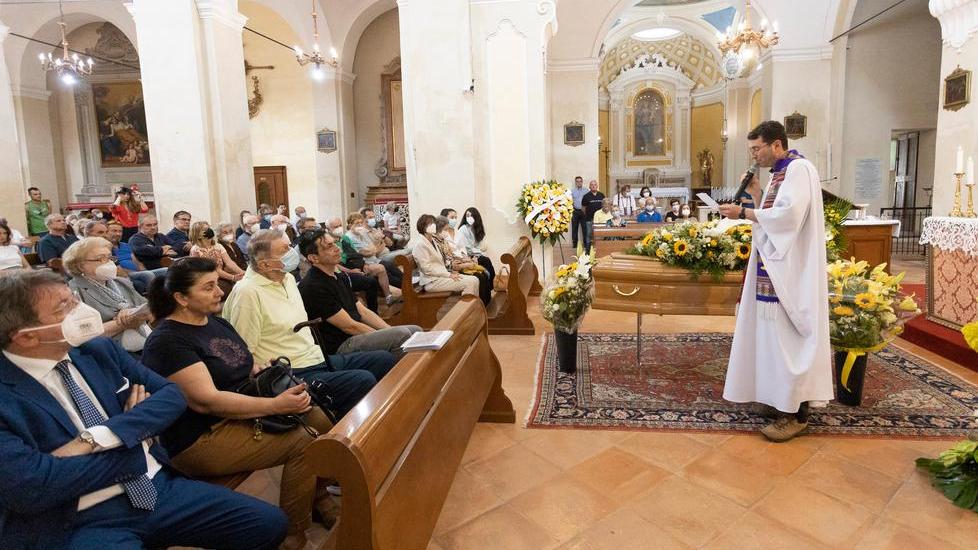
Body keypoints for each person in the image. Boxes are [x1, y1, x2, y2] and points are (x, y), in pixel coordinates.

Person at [0, 270, 287, 549]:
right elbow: (32, 487)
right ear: (26, 337)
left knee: (268, 524)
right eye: (65, 307)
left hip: (155, 486)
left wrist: (97, 438)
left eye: (74, 298)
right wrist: (135, 444)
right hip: (79, 518)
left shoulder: (96, 350)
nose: (81, 309)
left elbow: (171, 396)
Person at [142, 258, 336, 548]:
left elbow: (241, 363)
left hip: (238, 414)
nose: (220, 292)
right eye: (208, 288)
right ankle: (292, 535)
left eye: (216, 284)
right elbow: (207, 402)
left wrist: (261, 369)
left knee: (319, 417)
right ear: (181, 298)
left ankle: (316, 497)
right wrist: (276, 406)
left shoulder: (215, 322)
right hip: (201, 436)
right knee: (304, 442)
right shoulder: (167, 342)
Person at [718, 120, 833, 442]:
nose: (755, 156)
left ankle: (796, 413)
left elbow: (788, 218)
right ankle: (780, 399)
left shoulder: (799, 169)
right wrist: (756, 194)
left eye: (757, 149)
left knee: (789, 338)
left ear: (777, 144)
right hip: (775, 265)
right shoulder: (780, 174)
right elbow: (772, 214)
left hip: (792, 270)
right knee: (773, 336)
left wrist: (742, 214)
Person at [222, 229, 397, 418]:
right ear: (264, 264)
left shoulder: (287, 278)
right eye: (284, 250)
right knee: (362, 380)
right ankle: (346, 437)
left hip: (313, 357)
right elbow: (244, 350)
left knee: (383, 360)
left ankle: (385, 420)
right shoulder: (247, 292)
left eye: (290, 245)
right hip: (291, 369)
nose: (292, 252)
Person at [297, 229, 421, 359]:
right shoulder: (314, 286)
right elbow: (349, 326)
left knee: (414, 330)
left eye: (334, 243)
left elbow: (362, 312)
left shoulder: (339, 276)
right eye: (329, 246)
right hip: (341, 344)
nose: (337, 248)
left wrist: (388, 330)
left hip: (354, 335)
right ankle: (400, 377)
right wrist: (386, 335)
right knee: (400, 335)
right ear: (313, 257)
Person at [63, 238, 153, 353]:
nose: (109, 263)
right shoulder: (73, 291)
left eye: (110, 258)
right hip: (109, 352)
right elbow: (81, 334)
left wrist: (133, 312)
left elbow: (149, 308)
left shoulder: (121, 282)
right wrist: (124, 323)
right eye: (101, 259)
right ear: (80, 266)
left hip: (144, 342)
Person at [338, 214, 400, 305]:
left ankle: (404, 287)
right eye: (357, 223)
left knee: (390, 266)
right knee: (384, 268)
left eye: (361, 223)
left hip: (373, 259)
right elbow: (365, 252)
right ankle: (405, 288)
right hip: (364, 262)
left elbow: (374, 248)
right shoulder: (349, 237)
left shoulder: (362, 233)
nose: (360, 225)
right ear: (350, 225)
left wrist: (374, 248)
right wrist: (373, 248)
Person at [415, 214, 479, 298]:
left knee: (475, 279)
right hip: (432, 281)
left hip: (441, 276)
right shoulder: (421, 244)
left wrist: (451, 270)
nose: (433, 226)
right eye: (429, 224)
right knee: (471, 282)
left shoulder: (432, 241)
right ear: (423, 227)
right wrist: (448, 275)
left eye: (433, 223)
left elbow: (443, 259)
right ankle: (466, 308)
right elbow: (427, 269)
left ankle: (472, 308)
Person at [435, 216, 491, 305]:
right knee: (479, 277)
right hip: (450, 270)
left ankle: (486, 306)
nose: (447, 232)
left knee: (483, 273)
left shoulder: (443, 241)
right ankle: (480, 306)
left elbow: (452, 254)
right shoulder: (436, 243)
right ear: (438, 229)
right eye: (445, 229)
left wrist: (463, 259)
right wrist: (464, 265)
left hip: (455, 264)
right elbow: (446, 263)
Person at [104, 220, 167, 294]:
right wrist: (138, 273)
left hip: (137, 272)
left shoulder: (125, 245)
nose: (118, 234)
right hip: (125, 274)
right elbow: (116, 267)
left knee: (166, 270)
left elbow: (136, 261)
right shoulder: (106, 247)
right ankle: (156, 300)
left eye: (120, 231)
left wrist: (143, 270)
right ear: (106, 232)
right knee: (147, 275)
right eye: (114, 231)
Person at [190, 221, 245, 295]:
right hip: (206, 278)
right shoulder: (195, 250)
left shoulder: (218, 246)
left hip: (221, 277)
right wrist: (232, 277)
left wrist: (242, 273)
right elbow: (214, 269)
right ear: (198, 235)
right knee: (227, 288)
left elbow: (229, 263)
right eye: (205, 229)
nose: (209, 230)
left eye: (209, 228)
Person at [455, 207, 495, 283]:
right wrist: (477, 255)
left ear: (476, 217)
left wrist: (477, 256)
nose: (469, 218)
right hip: (466, 256)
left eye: (471, 216)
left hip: (474, 255)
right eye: (467, 216)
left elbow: (478, 246)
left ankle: (491, 283)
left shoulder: (476, 229)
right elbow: (467, 248)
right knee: (485, 260)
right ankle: (491, 284)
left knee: (486, 260)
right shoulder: (463, 228)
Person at [581, 180, 605, 251]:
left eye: (595, 185)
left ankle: (599, 248)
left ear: (597, 186)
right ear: (589, 186)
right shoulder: (586, 196)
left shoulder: (601, 195)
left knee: (600, 233)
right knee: (589, 234)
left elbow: (604, 205)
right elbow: (583, 208)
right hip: (589, 219)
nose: (593, 186)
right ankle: (588, 250)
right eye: (592, 185)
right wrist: (588, 214)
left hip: (600, 219)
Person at [570, 176, 588, 250]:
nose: (579, 183)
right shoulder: (572, 191)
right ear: (575, 182)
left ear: (582, 182)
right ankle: (575, 244)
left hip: (583, 211)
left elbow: (588, 201)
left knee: (585, 228)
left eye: (580, 181)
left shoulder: (586, 190)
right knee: (574, 228)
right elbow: (570, 201)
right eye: (577, 181)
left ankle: (585, 244)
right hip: (575, 211)